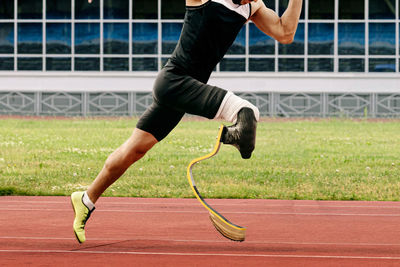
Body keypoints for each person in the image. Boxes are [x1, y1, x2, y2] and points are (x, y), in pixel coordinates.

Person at [71, 0, 303, 243]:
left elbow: (285, 33)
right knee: (246, 112)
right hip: (174, 82)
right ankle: (228, 136)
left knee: (134, 149)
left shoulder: (252, 7)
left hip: (186, 89)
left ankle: (85, 199)